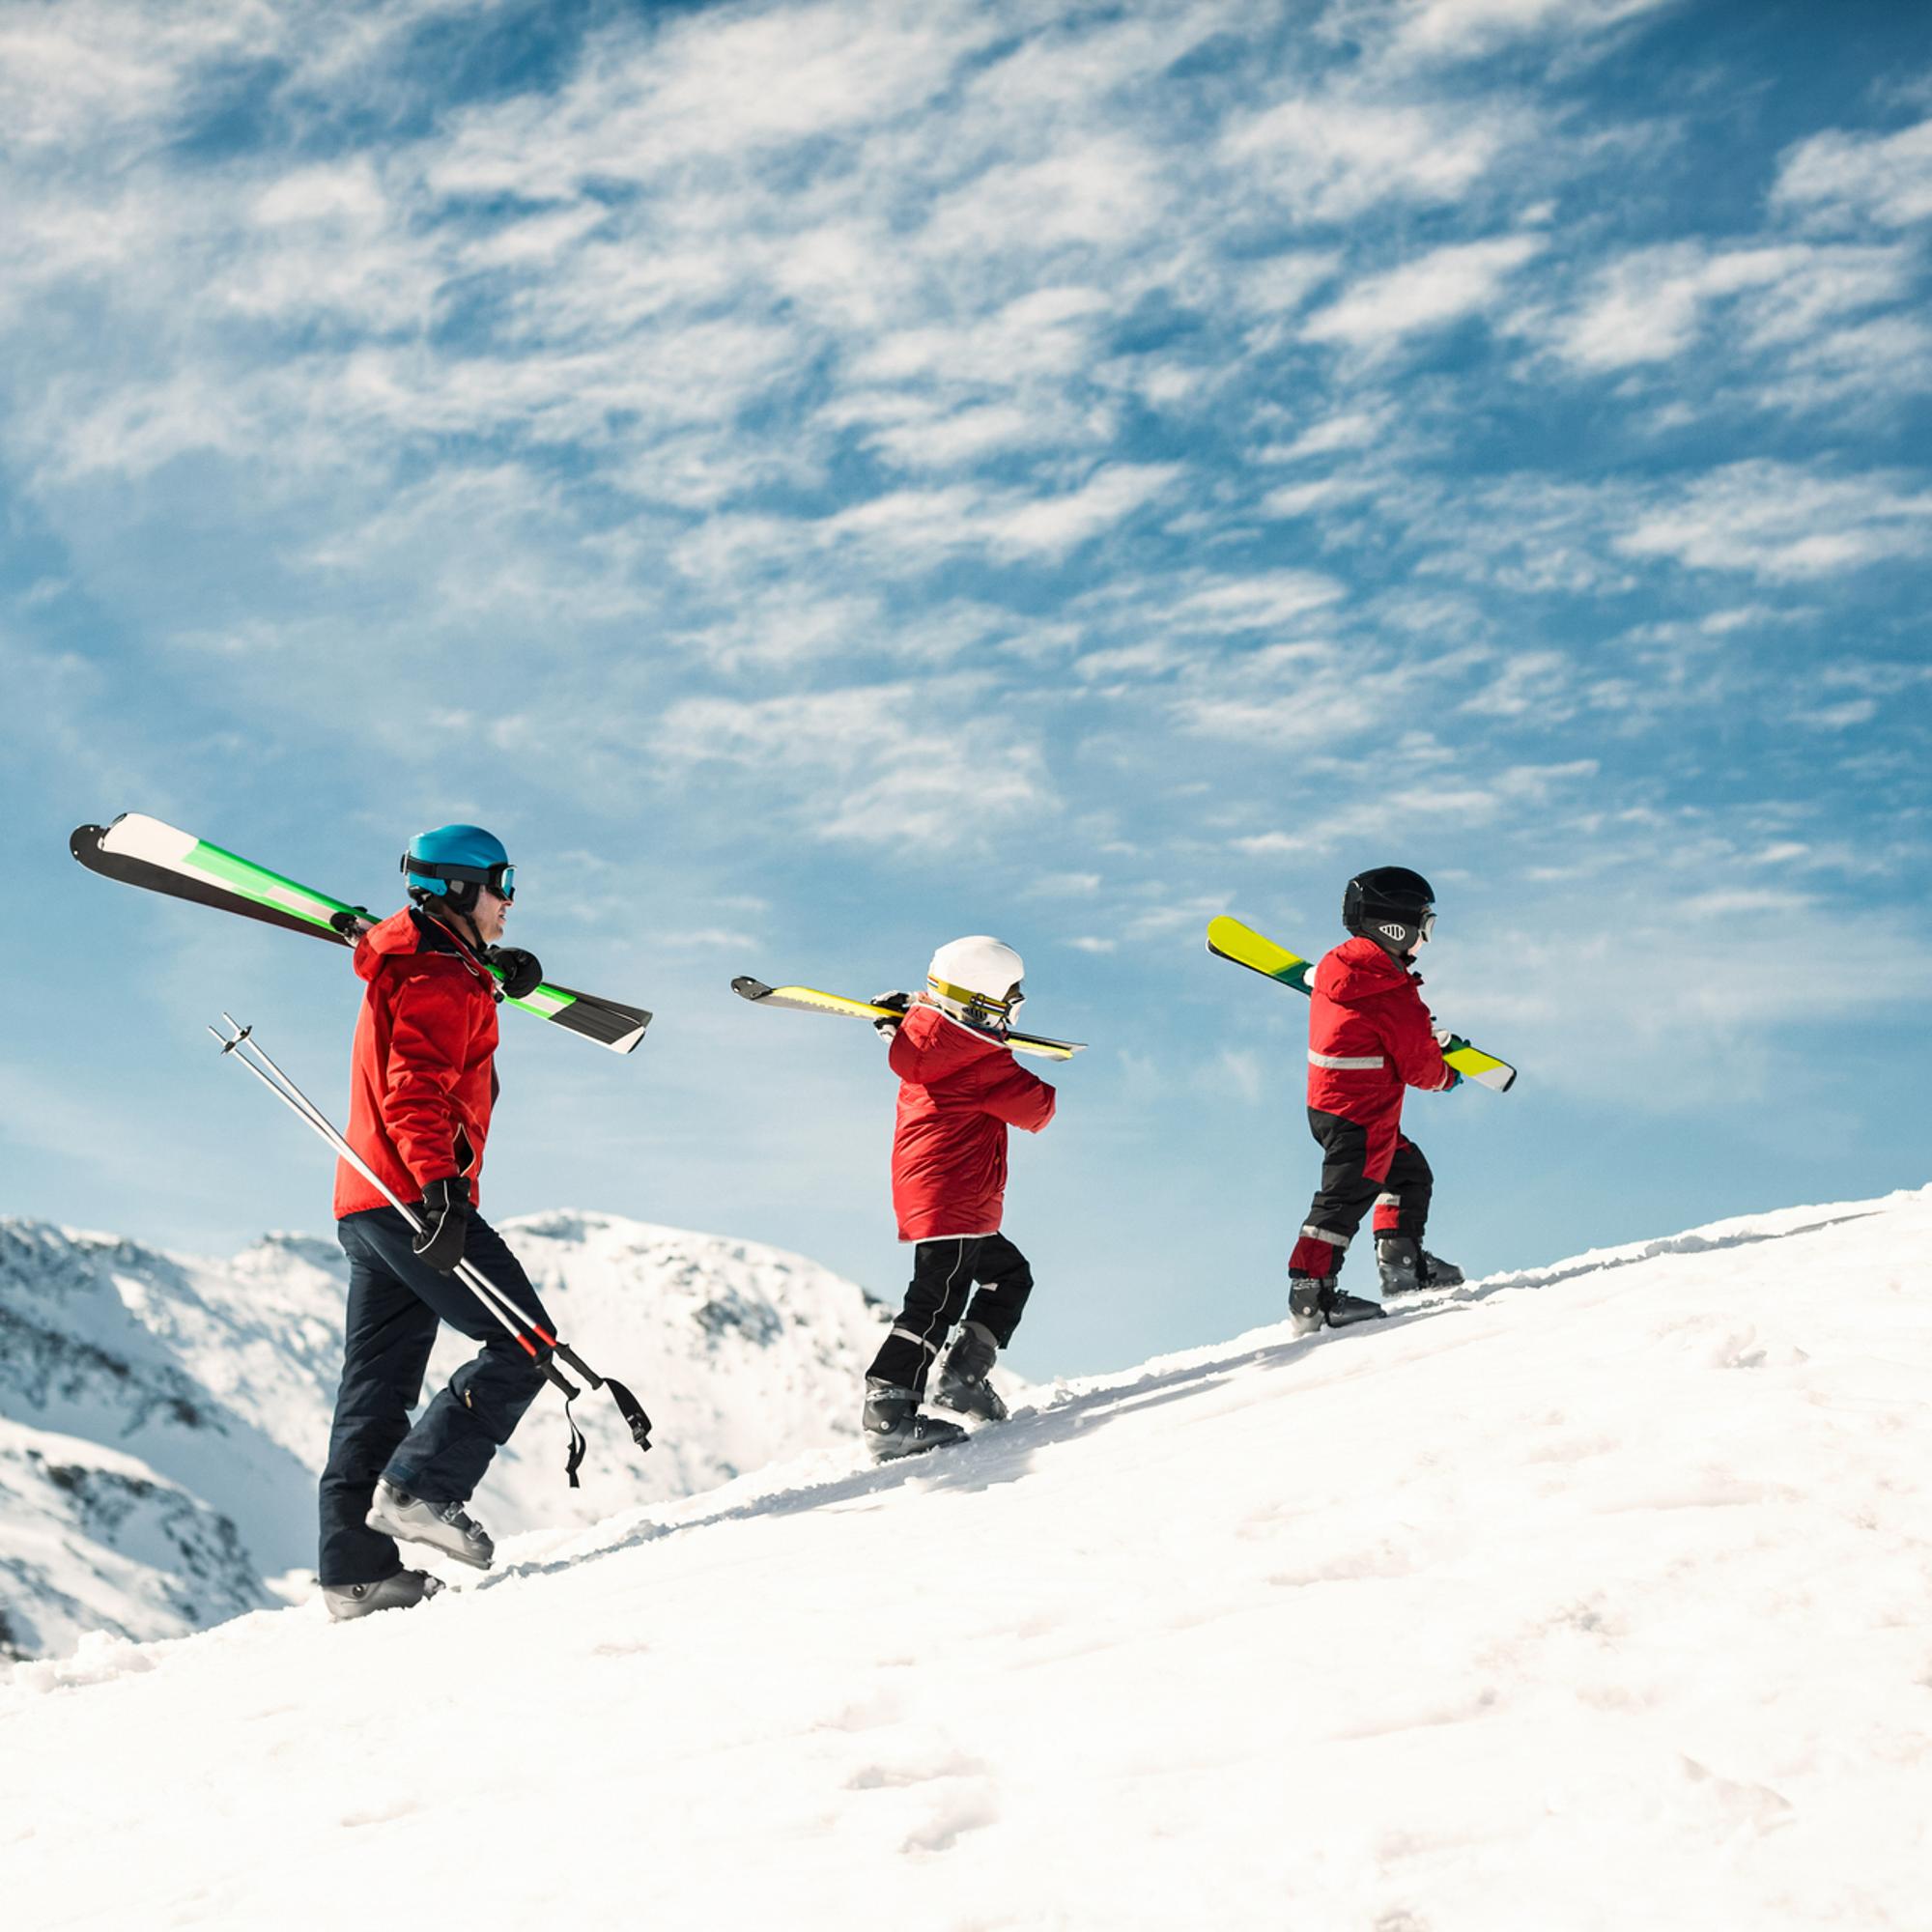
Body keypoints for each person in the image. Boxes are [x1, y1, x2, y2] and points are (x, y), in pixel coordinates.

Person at [318, 824, 554, 1621]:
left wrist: (489, 972)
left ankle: (358, 1575)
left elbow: (417, 987)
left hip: (367, 1203)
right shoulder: (438, 975)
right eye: (500, 883)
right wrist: (442, 1191)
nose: (511, 899)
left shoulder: (420, 959)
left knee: (376, 1394)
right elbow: (414, 1086)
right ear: (458, 890)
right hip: (417, 1197)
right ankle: (421, 1489)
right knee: (525, 1343)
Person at [861, 937, 1057, 1461]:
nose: (1015, 1007)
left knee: (1009, 1274)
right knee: (935, 1300)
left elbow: (930, 1039)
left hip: (940, 1192)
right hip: (955, 1195)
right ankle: (889, 1412)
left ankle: (963, 1379)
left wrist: (909, 1018)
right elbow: (1039, 1109)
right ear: (979, 1002)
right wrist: (1003, 1053)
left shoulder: (930, 1042)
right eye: (1010, 998)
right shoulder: (981, 1061)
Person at [1287, 867, 1465, 1336]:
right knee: (1343, 1201)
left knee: (1406, 1172)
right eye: (1424, 928)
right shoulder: (1392, 991)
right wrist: (1446, 1073)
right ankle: (1313, 1295)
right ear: (1396, 927)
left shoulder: (1340, 969)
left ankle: (1401, 1263)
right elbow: (1418, 1068)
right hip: (1363, 1118)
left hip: (1332, 1106)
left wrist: (1421, 1037)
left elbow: (1373, 1033)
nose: (1425, 941)